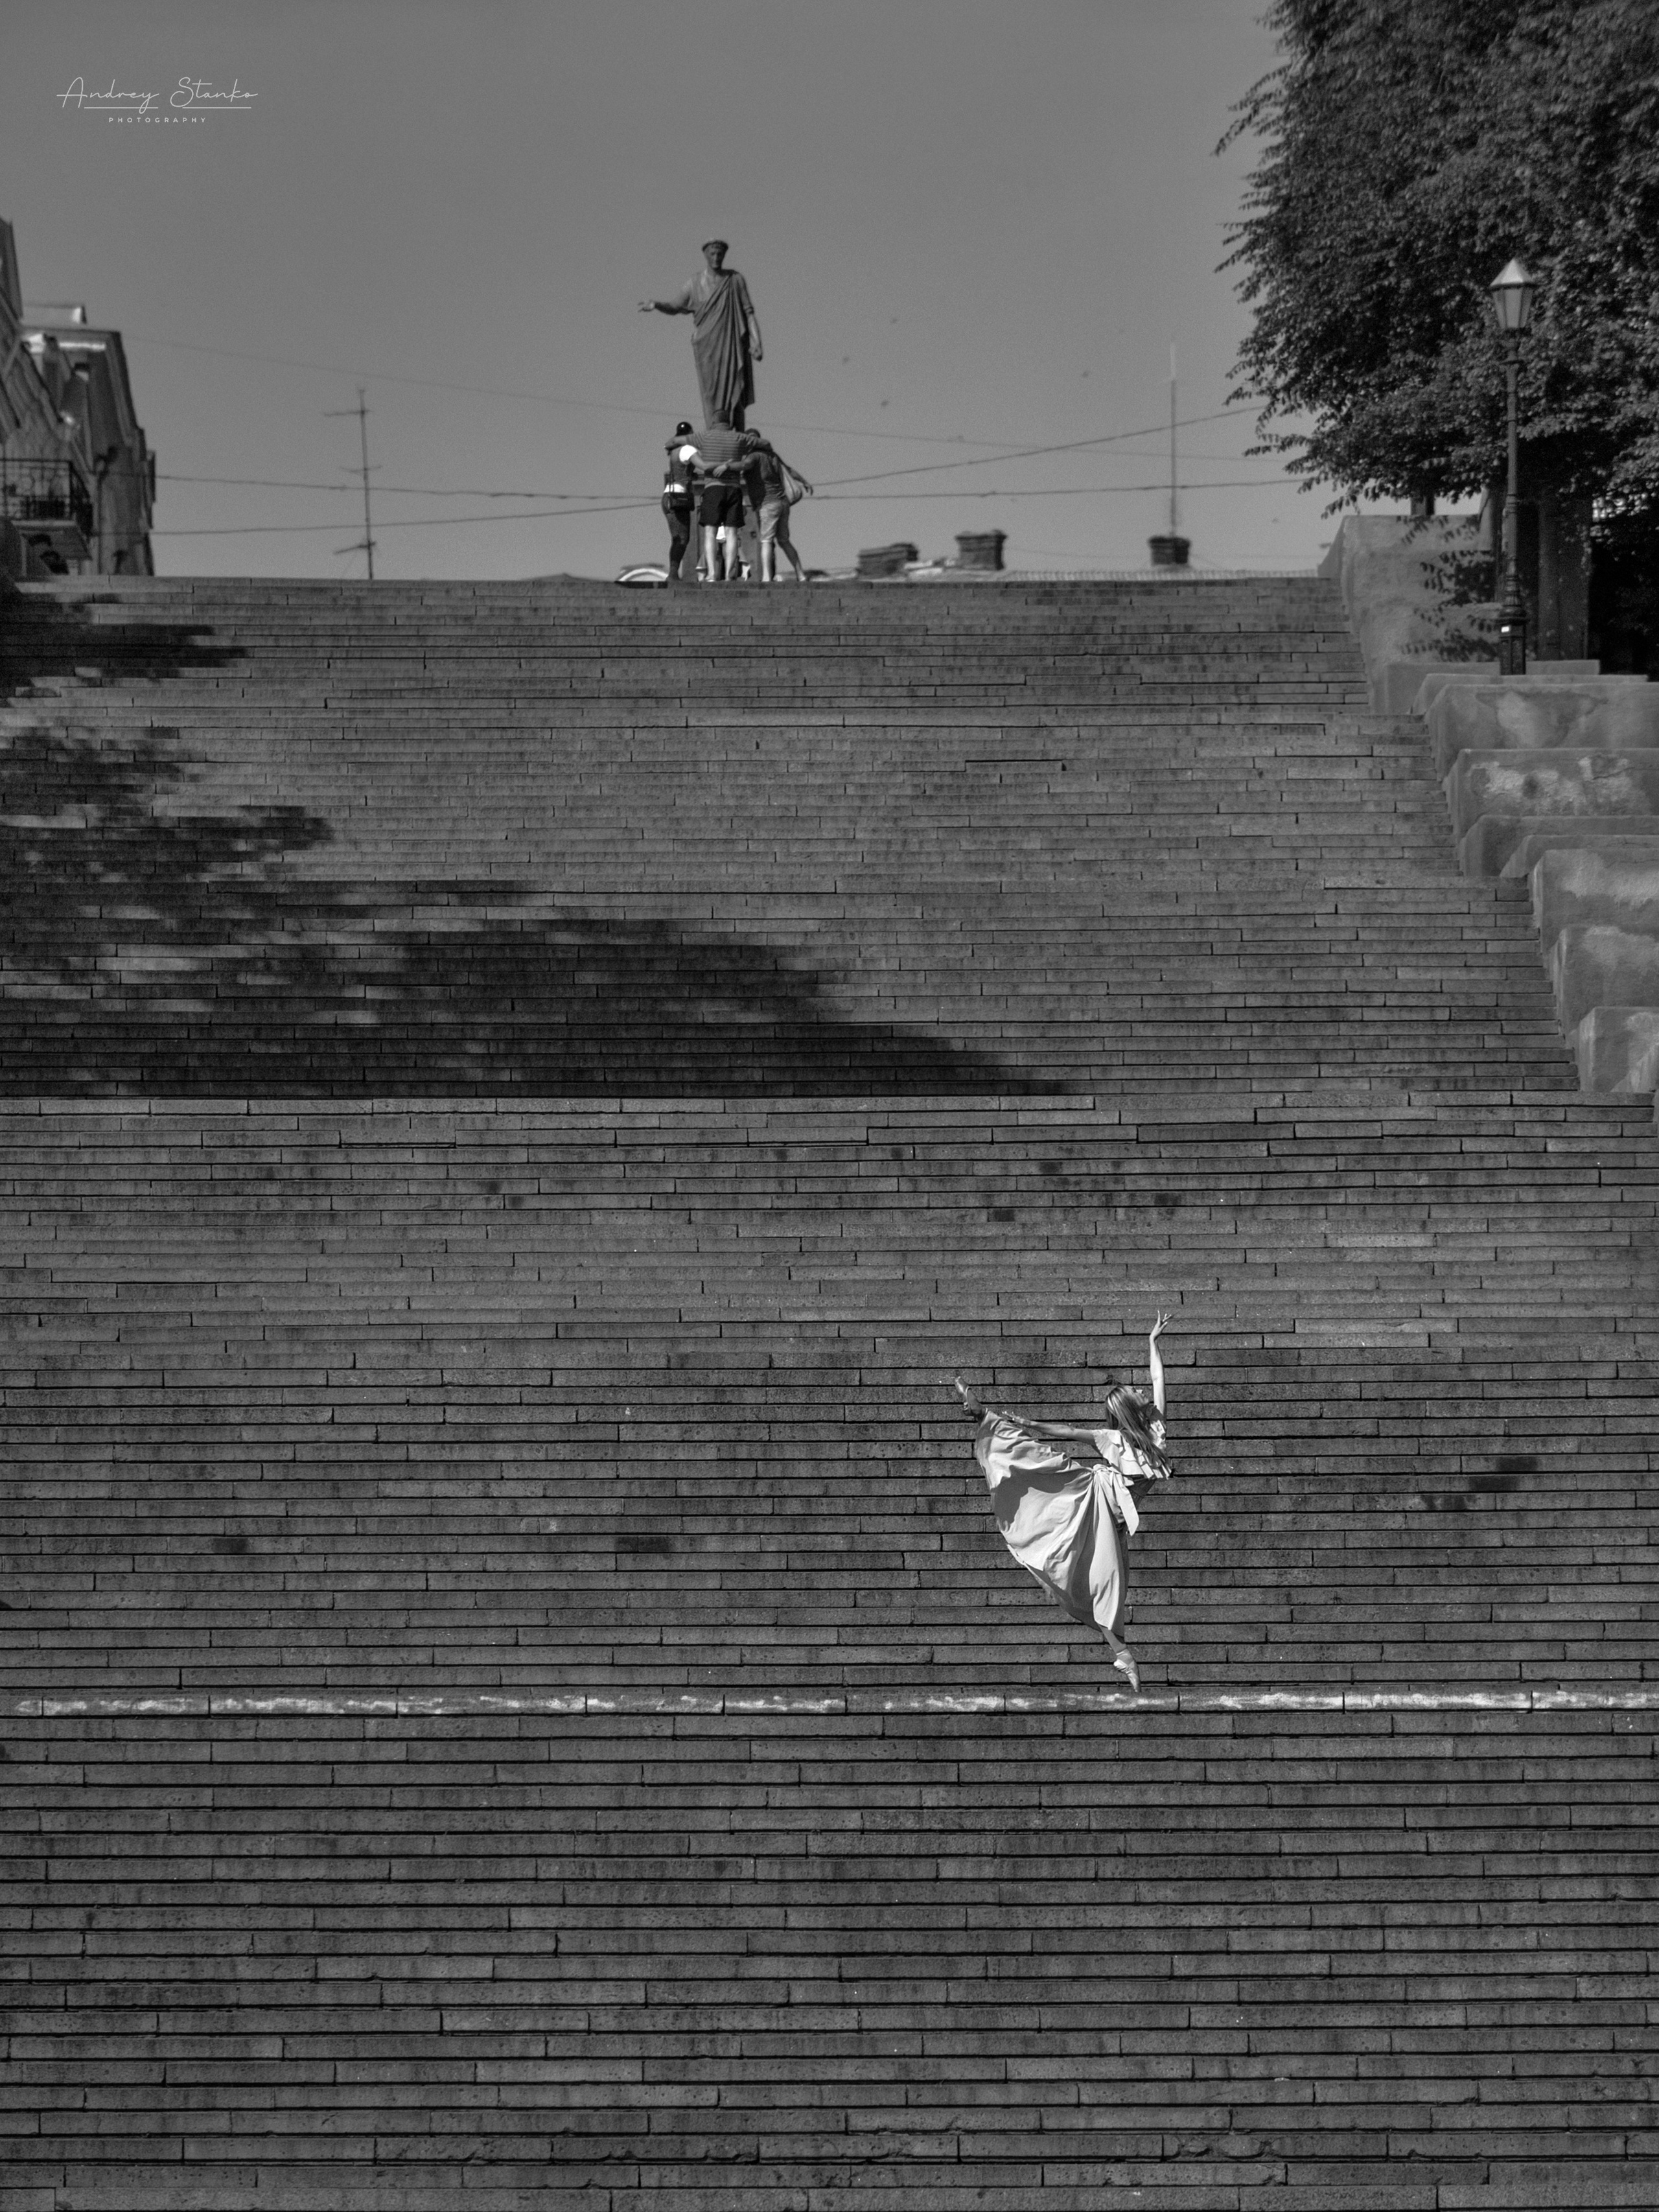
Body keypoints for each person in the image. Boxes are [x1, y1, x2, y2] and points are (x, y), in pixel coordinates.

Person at [951, 1312, 1171, 1690]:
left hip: (1111, 1517)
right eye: (1136, 1392)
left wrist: (1153, 1342)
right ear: (1130, 1408)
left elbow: (1157, 1379)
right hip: (1096, 1497)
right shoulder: (1113, 1439)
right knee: (1048, 1466)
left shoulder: (1155, 1428)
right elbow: (1069, 1432)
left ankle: (1122, 1656)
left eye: (1137, 1389)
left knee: (1107, 1585)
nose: (1141, 1390)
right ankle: (986, 1416)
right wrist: (1031, 1425)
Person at [638, 240, 763, 430]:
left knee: (735, 386)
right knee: (710, 392)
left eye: (719, 254)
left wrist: (756, 341)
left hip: (731, 342)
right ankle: (714, 433)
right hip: (706, 345)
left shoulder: (735, 280)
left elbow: (749, 312)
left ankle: (738, 435)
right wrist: (657, 305)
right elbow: (676, 306)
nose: (716, 258)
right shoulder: (694, 283)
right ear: (706, 255)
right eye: (712, 254)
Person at [741, 432, 812, 584]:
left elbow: (745, 466)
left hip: (768, 503)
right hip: (783, 502)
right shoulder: (773, 456)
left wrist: (728, 465)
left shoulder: (753, 457)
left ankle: (767, 577)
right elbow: (789, 470)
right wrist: (804, 481)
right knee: (784, 540)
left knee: (766, 540)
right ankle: (801, 575)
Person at [691, 410, 750, 583]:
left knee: (710, 532)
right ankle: (729, 574)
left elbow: (676, 442)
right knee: (732, 533)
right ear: (729, 423)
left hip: (713, 488)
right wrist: (729, 465)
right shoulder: (739, 438)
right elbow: (761, 444)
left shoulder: (705, 437)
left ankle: (711, 574)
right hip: (734, 488)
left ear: (714, 422)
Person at [661, 420, 699, 583]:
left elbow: (683, 470)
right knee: (682, 538)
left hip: (667, 497)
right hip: (679, 497)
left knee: (677, 538)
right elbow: (702, 464)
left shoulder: (674, 450)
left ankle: (673, 572)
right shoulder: (688, 449)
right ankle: (673, 573)